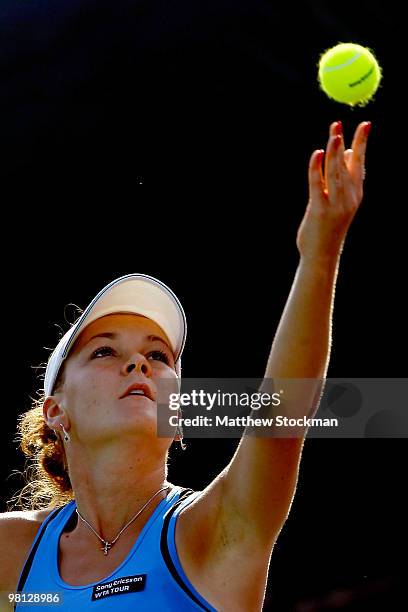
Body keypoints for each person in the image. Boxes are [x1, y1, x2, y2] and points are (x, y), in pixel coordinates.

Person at [0, 120, 371, 611]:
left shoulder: (207, 533)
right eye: (105, 351)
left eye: (158, 355)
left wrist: (320, 255)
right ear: (55, 411)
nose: (139, 363)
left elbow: (281, 418)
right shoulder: (12, 557)